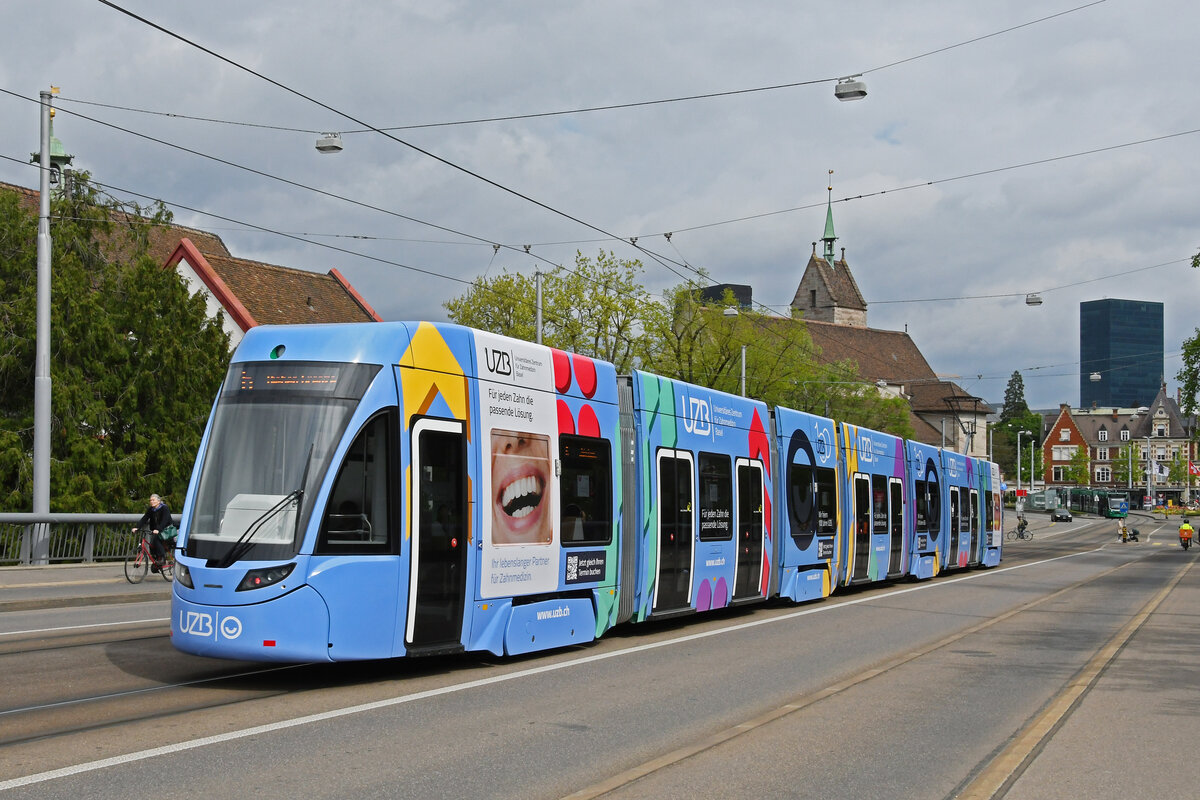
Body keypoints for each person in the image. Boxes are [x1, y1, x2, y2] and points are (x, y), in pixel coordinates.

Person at [133, 493, 172, 572]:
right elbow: (145, 518)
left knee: (156, 541)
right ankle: (157, 563)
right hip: (156, 530)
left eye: (153, 500)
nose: (151, 501)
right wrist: (137, 527)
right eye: (150, 500)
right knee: (151, 546)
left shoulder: (164, 508)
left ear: (158, 501)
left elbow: (165, 520)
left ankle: (163, 559)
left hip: (166, 529)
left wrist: (158, 529)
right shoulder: (151, 509)